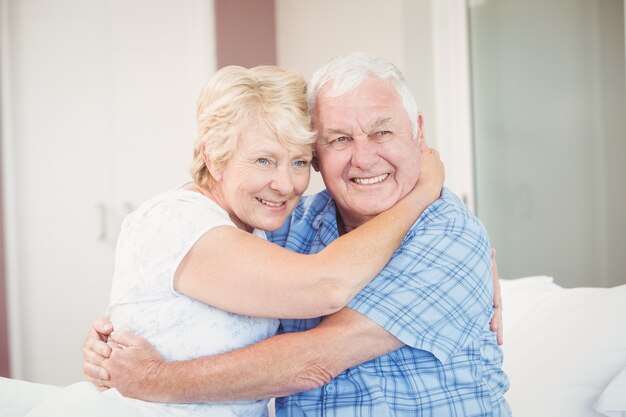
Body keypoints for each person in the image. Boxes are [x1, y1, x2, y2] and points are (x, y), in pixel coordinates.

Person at [0, 64, 443, 417]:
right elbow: (325, 287)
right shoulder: (178, 220)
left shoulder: (260, 231)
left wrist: (482, 258)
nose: (285, 185)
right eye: (264, 160)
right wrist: (423, 193)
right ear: (214, 153)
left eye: (299, 162)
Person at [83, 53, 510, 416]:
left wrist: (153, 378)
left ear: (418, 133)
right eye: (339, 139)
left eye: (382, 132)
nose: (364, 157)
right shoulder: (290, 224)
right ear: (321, 155)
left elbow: (314, 358)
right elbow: (209, 291)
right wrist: (119, 331)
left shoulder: (448, 231)